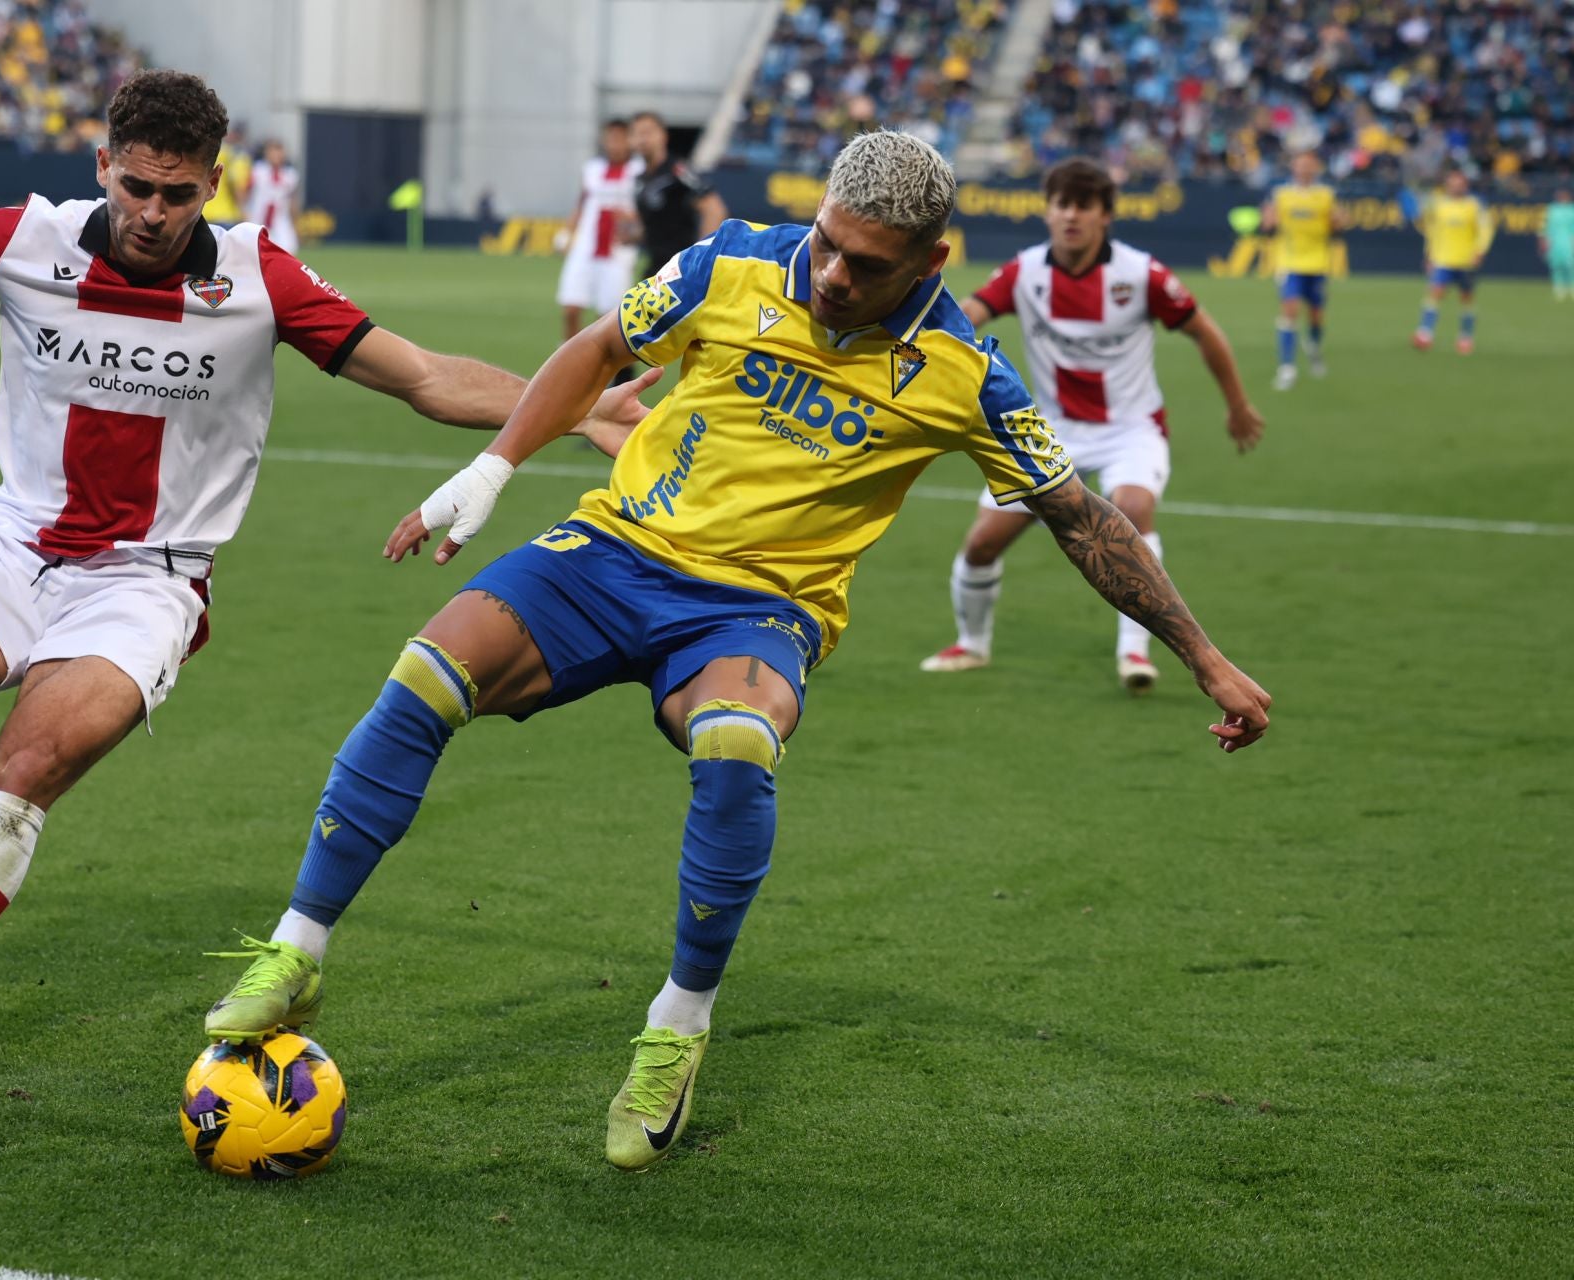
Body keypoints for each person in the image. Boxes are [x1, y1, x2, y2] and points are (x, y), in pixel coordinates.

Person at [203, 133, 1272, 1172]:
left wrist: (1206, 657)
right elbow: (600, 350)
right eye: (826, 242)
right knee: (429, 667)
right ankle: (299, 949)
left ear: (932, 263)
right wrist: (492, 468)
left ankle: (676, 1027)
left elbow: (1084, 519)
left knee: (736, 741)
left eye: (868, 263)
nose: (833, 274)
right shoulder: (733, 261)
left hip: (760, 608)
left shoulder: (966, 372)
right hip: (617, 550)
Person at [0, 69, 651, 1095]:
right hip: (14, 544)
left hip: (145, 583)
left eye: (178, 195)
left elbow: (423, 374)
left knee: (19, 776)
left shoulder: (259, 279)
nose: (153, 213)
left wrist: (572, 410)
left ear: (213, 184)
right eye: (136, 187)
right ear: (103, 167)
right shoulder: (27, 240)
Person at [921, 158, 1264, 693]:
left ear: (1106, 216)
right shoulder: (1024, 272)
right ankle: (972, 644)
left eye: (1084, 206)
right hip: (1049, 431)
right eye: (1062, 204)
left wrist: (1238, 405)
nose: (1071, 216)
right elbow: (966, 317)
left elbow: (1205, 333)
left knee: (1132, 509)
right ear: (1048, 211)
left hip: (1130, 428)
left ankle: (1135, 653)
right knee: (982, 544)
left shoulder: (1140, 274)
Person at [1263, 150, 1346, 390]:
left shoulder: (1325, 195)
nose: (1304, 170)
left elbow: (1336, 225)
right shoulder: (1282, 194)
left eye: (1308, 165)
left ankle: (1314, 347)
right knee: (1289, 311)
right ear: (1293, 168)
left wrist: (1339, 219)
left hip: (1318, 262)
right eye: (1300, 165)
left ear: (1315, 168)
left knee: (1316, 316)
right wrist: (1267, 219)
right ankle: (1287, 367)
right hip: (1289, 262)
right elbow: (1269, 222)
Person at [556, 118, 641, 340]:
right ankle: (567, 357)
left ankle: (598, 364)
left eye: (620, 138)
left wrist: (631, 219)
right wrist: (567, 234)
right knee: (571, 307)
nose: (615, 144)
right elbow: (582, 203)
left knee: (607, 316)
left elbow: (644, 211)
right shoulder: (592, 169)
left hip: (618, 251)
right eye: (611, 138)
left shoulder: (638, 171)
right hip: (586, 246)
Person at [630, 111, 727, 276]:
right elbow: (653, 226)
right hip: (654, 265)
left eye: (648, 132)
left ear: (663, 136)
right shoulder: (640, 179)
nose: (643, 139)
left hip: (680, 267)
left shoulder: (678, 171)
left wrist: (702, 256)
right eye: (637, 134)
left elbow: (714, 208)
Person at [1413, 170, 1495, 353]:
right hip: (1443, 258)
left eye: (1459, 184)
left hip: (1466, 259)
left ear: (1465, 185)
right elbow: (1433, 233)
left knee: (1466, 298)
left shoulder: (1473, 206)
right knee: (1435, 293)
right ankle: (1425, 334)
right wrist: (1429, 256)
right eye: (1451, 184)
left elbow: (1485, 229)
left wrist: (1480, 251)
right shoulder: (1439, 205)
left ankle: (1465, 337)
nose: (1455, 187)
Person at [244, 138, 301, 252]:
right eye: (273, 151)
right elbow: (245, 192)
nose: (276, 155)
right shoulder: (257, 170)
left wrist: (296, 224)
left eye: (279, 152)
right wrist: (244, 212)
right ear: (267, 153)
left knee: (287, 251)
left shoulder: (290, 175)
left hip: (280, 222)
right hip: (258, 220)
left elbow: (293, 201)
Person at [202, 122, 251, 226]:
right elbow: (237, 186)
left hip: (203, 212)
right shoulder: (237, 156)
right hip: (225, 215)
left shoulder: (211, 153)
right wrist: (244, 212)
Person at [1541, 188, 1574, 302]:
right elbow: (1546, 228)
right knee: (1556, 265)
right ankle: (1559, 288)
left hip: (1569, 241)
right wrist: (1545, 241)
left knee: (1570, 265)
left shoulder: (1572, 210)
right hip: (1555, 242)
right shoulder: (1552, 209)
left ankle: (1572, 287)